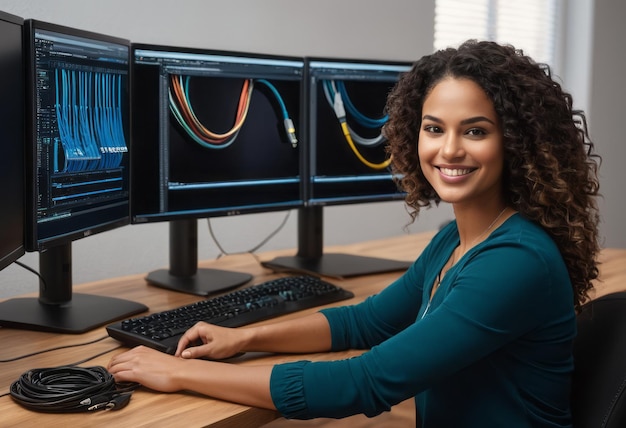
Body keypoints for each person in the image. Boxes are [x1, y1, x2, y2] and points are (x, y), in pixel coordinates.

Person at [108, 40, 601, 427]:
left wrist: (180, 371)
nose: (448, 150)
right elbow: (365, 323)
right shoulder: (457, 240)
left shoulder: (515, 261)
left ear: (516, 142)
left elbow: (366, 382)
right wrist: (242, 337)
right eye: (434, 128)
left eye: (475, 131)